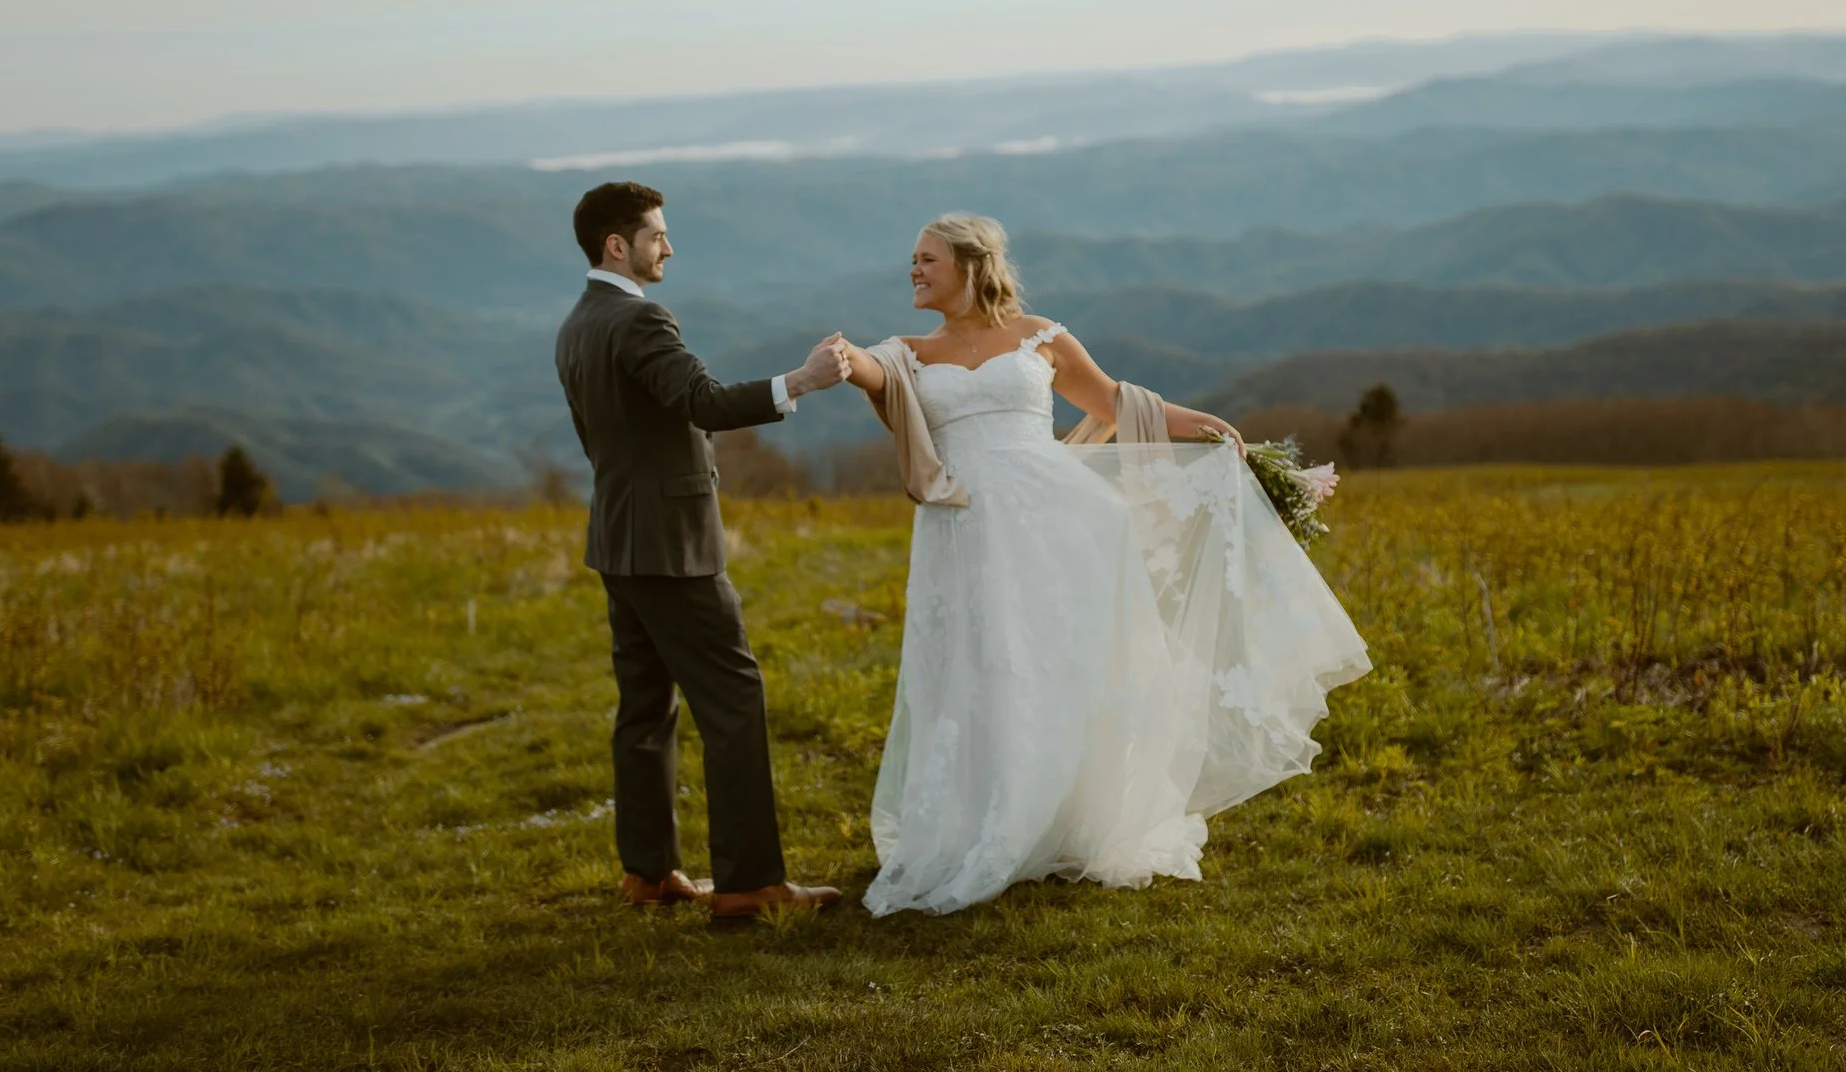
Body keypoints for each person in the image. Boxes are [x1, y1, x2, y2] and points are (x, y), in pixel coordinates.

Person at [835, 213, 1371, 916]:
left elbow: (1113, 401)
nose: (913, 269)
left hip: (1059, 520)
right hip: (963, 529)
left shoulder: (1040, 335)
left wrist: (1206, 424)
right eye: (913, 259)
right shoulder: (907, 352)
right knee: (979, 666)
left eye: (926, 259)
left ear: (970, 266)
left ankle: (1066, 817)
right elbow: (876, 373)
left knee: (1060, 664)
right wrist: (845, 358)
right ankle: (989, 821)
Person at [555, 180, 852, 922]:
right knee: (733, 700)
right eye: (658, 235)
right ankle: (750, 881)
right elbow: (706, 401)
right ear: (617, 245)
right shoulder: (639, 318)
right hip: (671, 544)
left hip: (617, 538)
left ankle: (649, 872)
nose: (669, 246)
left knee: (644, 709)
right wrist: (803, 381)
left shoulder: (577, 322)